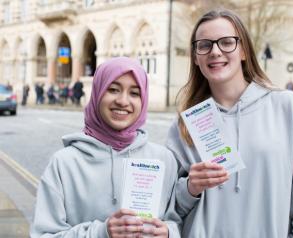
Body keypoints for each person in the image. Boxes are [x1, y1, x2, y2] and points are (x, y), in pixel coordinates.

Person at [166, 9, 293, 237]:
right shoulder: (184, 126)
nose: (215, 52)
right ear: (195, 57)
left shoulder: (287, 107)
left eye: (227, 42)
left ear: (244, 50)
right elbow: (167, 212)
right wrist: (189, 189)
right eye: (204, 45)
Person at [31, 57, 181, 238]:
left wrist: (168, 233)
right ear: (97, 93)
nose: (123, 101)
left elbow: (176, 221)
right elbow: (43, 235)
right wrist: (101, 232)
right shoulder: (64, 163)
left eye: (134, 93)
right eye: (113, 89)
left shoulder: (163, 159)